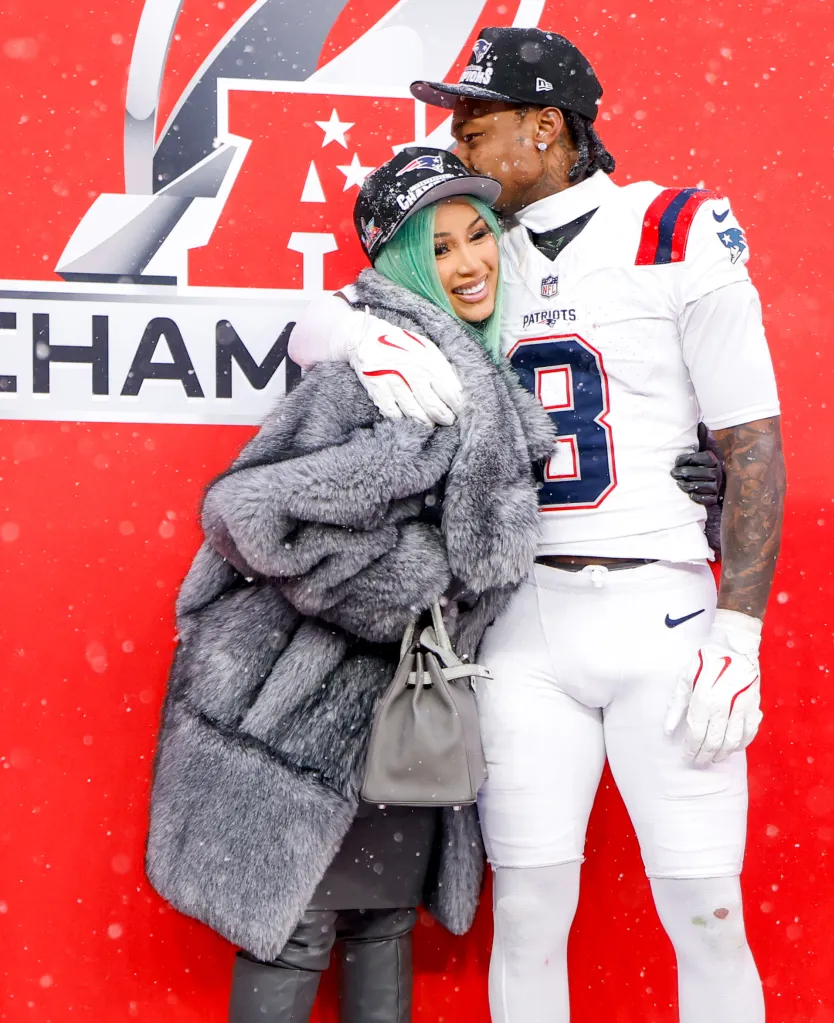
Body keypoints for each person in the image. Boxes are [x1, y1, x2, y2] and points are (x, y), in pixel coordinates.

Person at [288, 26, 786, 1023]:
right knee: (527, 913)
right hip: (521, 625)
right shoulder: (475, 249)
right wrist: (357, 334)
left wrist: (740, 630)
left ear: (546, 127)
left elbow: (752, 442)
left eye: (476, 126)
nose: (456, 145)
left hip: (664, 613)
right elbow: (314, 323)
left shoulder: (674, 227)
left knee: (706, 911)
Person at [144, 147, 556, 1023]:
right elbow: (251, 514)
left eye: (477, 235)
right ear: (401, 263)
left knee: (380, 921)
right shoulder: (385, 376)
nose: (470, 262)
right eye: (438, 247)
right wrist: (412, 581)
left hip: (402, 715)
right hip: (305, 710)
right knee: (297, 926)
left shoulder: (472, 371)